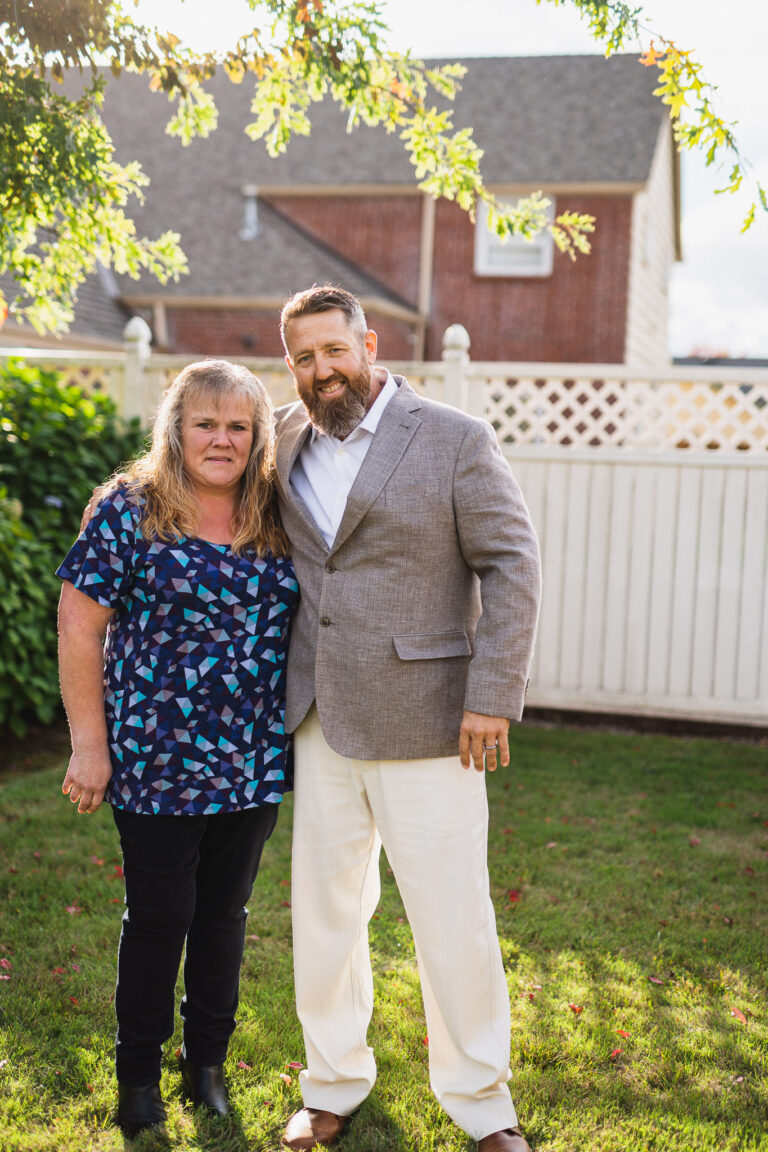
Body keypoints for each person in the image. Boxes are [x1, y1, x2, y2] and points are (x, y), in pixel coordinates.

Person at [275, 285, 542, 1152]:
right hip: (318, 716)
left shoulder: (454, 439)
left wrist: (492, 695)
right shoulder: (280, 439)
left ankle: (483, 1102)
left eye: (334, 350)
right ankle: (330, 1085)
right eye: (304, 357)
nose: (322, 370)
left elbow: (511, 562)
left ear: (369, 346)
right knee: (325, 916)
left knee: (451, 917)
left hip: (432, 722)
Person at [57, 360, 298, 1138]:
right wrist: (88, 746)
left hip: (251, 759)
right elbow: (79, 626)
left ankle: (207, 1068)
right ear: (176, 428)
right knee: (161, 917)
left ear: (257, 436)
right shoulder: (129, 510)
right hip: (154, 760)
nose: (221, 440)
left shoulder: (278, 513)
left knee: (224, 915)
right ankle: (137, 1080)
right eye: (205, 424)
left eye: (238, 426)